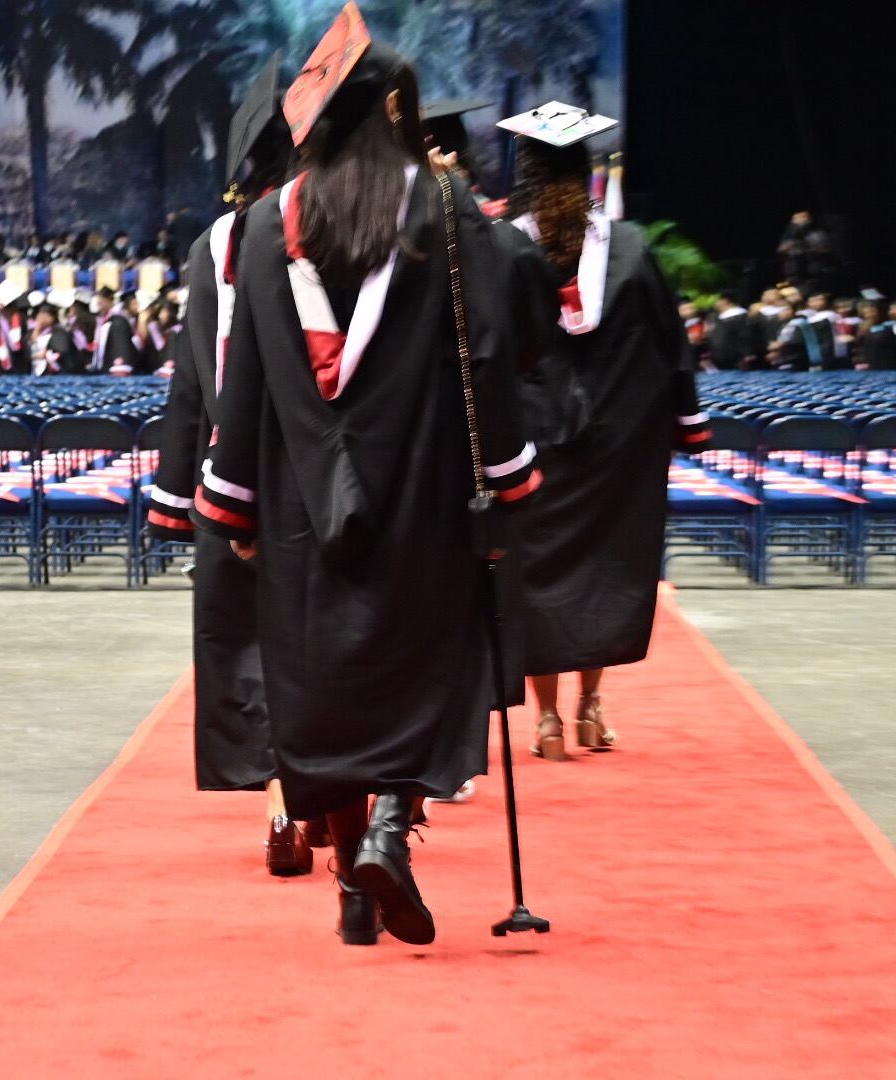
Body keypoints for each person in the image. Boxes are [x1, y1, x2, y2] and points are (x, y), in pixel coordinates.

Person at [191, 8, 539, 947]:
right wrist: (508, 480)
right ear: (394, 106)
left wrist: (233, 501)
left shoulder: (267, 227)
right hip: (421, 500)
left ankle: (353, 880)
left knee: (329, 685)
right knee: (421, 668)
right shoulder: (447, 212)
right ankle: (391, 829)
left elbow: (248, 377)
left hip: (305, 507)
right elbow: (489, 358)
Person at [149, 53, 327, 878]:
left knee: (252, 642)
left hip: (233, 476)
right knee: (323, 634)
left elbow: (193, 378)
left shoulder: (211, 246)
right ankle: (329, 792)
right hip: (325, 479)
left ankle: (282, 804)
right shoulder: (332, 225)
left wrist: (174, 490)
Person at [497, 100, 709, 760]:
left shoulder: (502, 248)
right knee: (605, 569)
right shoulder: (632, 248)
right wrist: (687, 425)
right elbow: (672, 346)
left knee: (537, 576)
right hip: (619, 443)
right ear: (588, 174)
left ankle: (550, 721)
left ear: (526, 174)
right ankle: (593, 707)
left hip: (534, 443)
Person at [706, 290, 752, 370]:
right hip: (721, 362)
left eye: (717, 300)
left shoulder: (739, 315)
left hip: (738, 361)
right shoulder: (718, 318)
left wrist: (747, 354)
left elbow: (745, 336)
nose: (715, 303)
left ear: (724, 301)